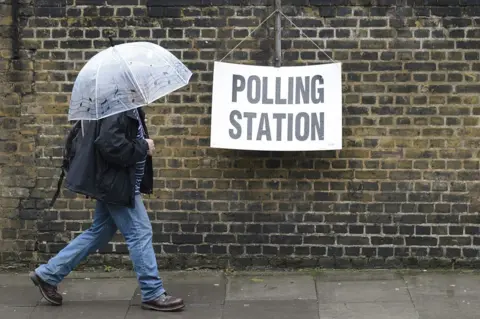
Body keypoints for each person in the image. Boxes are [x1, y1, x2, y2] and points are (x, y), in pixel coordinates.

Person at [29, 107, 184, 312]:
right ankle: (152, 292)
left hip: (118, 183)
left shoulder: (127, 106)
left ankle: (48, 274)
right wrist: (143, 146)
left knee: (99, 232)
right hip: (117, 185)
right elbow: (109, 144)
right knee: (140, 232)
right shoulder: (116, 107)